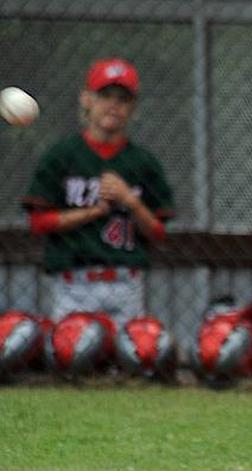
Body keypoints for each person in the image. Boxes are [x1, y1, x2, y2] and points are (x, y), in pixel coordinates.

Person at [20, 58, 175, 330]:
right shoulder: (62, 156)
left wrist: (130, 201)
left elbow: (158, 234)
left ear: (132, 107)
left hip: (126, 282)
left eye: (123, 99)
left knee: (132, 355)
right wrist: (94, 211)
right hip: (72, 283)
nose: (113, 105)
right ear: (86, 99)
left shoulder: (142, 163)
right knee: (73, 355)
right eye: (105, 96)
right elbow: (38, 223)